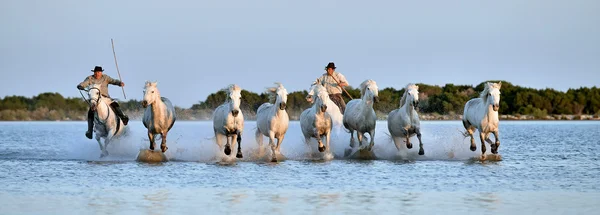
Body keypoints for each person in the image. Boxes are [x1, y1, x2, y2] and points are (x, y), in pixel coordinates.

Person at [77, 66, 129, 139]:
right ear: (94, 72)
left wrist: (119, 83)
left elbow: (113, 81)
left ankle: (123, 118)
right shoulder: (90, 78)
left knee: (115, 104)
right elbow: (84, 83)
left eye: (99, 72)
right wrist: (80, 86)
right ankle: (89, 131)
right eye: (96, 72)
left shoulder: (105, 77)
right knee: (90, 112)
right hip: (95, 100)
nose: (97, 74)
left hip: (105, 98)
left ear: (101, 72)